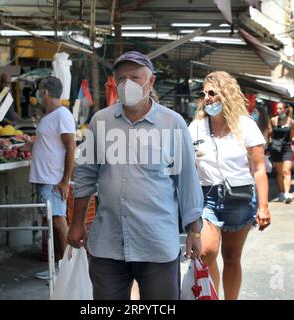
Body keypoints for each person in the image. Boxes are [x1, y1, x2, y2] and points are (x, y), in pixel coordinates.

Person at [67, 51, 204, 300]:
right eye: (121, 78)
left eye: (134, 77)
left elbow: (187, 182)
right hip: (108, 244)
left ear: (150, 81)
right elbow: (86, 174)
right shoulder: (101, 121)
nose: (126, 84)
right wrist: (76, 223)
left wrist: (194, 232)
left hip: (156, 244)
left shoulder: (172, 123)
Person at [188, 71, 271, 300]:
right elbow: (186, 168)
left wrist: (263, 206)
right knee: (206, 252)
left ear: (226, 95)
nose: (208, 98)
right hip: (206, 196)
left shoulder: (246, 125)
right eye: (204, 94)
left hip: (240, 196)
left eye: (213, 93)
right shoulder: (195, 128)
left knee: (232, 256)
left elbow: (259, 168)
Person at [27, 76, 76, 280]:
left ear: (45, 92)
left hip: (53, 180)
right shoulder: (50, 116)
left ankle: (66, 271)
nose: (38, 94)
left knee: (58, 221)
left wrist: (65, 180)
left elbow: (70, 147)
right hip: (45, 178)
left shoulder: (62, 115)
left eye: (39, 90)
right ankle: (58, 267)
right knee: (53, 222)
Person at [268, 103, 294, 203]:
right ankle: (281, 192)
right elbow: (270, 134)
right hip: (276, 148)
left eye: (280, 108)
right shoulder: (273, 120)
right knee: (279, 172)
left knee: (286, 171)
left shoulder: (291, 122)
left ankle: (287, 193)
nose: (278, 110)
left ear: (285, 109)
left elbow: (292, 136)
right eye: (277, 108)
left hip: (287, 148)